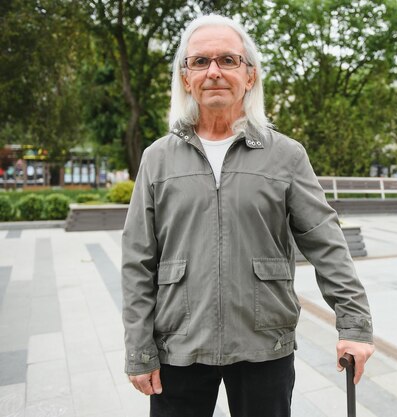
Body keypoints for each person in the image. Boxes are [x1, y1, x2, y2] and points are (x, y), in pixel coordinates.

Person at [121, 14, 374, 417]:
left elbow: (326, 243)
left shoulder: (286, 155)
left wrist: (354, 326)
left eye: (228, 60)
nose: (214, 72)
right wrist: (139, 349)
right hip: (178, 346)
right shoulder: (157, 158)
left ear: (250, 75)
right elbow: (137, 261)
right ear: (186, 78)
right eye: (200, 62)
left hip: (264, 344)